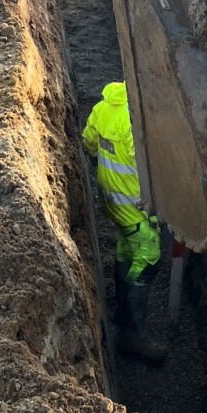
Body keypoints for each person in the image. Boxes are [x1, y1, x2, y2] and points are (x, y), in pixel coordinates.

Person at [82, 81, 166, 365]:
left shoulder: (104, 107)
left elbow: (89, 144)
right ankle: (132, 334)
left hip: (113, 202)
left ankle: (120, 310)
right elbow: (157, 169)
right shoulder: (137, 124)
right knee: (149, 260)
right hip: (135, 209)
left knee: (126, 250)